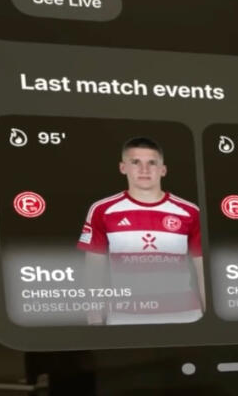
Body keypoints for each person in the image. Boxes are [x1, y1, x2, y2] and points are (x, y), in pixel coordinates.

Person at [79, 136, 204, 325]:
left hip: (185, 317)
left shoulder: (190, 211)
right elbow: (93, 271)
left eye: (152, 163)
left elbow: (202, 271)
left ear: (163, 170)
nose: (144, 169)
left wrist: (209, 323)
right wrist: (94, 320)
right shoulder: (102, 210)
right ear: (123, 167)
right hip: (125, 319)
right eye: (135, 162)